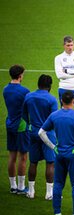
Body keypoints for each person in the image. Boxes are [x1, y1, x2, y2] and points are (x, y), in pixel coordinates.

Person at [38, 91, 74, 215]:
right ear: (73, 101)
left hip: (59, 154)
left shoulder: (54, 115)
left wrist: (53, 147)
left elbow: (41, 132)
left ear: (61, 101)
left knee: (58, 183)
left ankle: (57, 213)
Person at [22, 74, 58, 200]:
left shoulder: (29, 96)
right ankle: (49, 194)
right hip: (47, 134)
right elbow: (54, 119)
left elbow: (24, 114)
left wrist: (31, 125)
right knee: (50, 162)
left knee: (33, 162)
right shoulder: (52, 99)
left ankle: (31, 192)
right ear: (50, 86)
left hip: (33, 133)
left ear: (38, 84)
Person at [3, 64, 30, 194]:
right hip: (21, 126)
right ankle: (21, 187)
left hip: (10, 123)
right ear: (20, 76)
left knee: (12, 156)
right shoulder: (25, 91)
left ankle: (12, 186)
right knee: (23, 156)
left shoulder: (5, 89)